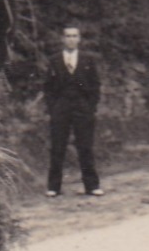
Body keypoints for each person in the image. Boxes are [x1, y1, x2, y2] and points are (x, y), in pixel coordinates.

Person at [42, 24, 103, 197]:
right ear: (63, 39)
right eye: (68, 36)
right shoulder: (54, 60)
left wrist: (90, 107)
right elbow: (48, 87)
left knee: (85, 146)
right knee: (57, 147)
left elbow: (95, 85)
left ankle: (92, 186)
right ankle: (54, 187)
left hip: (82, 108)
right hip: (61, 108)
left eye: (74, 36)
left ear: (79, 39)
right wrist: (53, 108)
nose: (71, 39)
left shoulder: (87, 59)